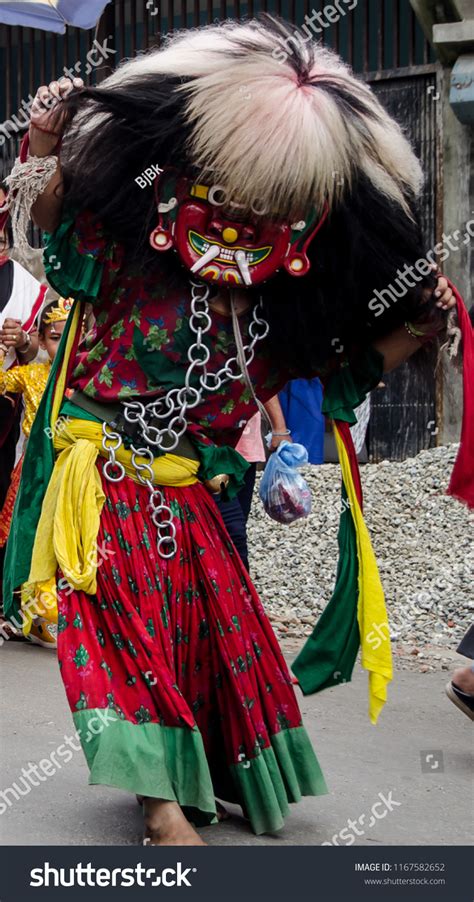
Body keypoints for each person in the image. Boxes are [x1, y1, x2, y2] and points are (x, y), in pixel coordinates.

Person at [3, 17, 459, 845]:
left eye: (269, 202)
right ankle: (159, 804)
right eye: (233, 189)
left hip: (197, 500)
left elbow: (342, 375)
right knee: (120, 639)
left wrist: (419, 327)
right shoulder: (120, 256)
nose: (243, 213)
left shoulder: (278, 329)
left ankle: (205, 770)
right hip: (99, 489)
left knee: (218, 644)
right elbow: (47, 236)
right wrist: (44, 139)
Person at [0, 298, 71, 647]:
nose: (63, 345)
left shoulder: (88, 381)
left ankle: (57, 611)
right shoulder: (30, 375)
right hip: (31, 474)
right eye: (56, 337)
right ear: (41, 341)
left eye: (71, 336)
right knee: (23, 541)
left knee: (65, 541)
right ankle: (21, 613)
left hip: (72, 473)